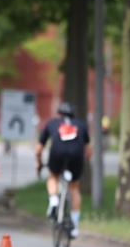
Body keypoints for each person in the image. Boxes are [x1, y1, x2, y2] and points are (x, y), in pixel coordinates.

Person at [35, 102, 91, 238]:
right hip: (77, 156)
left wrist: (39, 163)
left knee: (53, 177)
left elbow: (38, 149)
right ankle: (75, 226)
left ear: (59, 113)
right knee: (74, 188)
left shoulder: (52, 123)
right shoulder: (81, 124)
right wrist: (83, 162)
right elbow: (89, 150)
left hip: (57, 154)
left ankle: (54, 201)